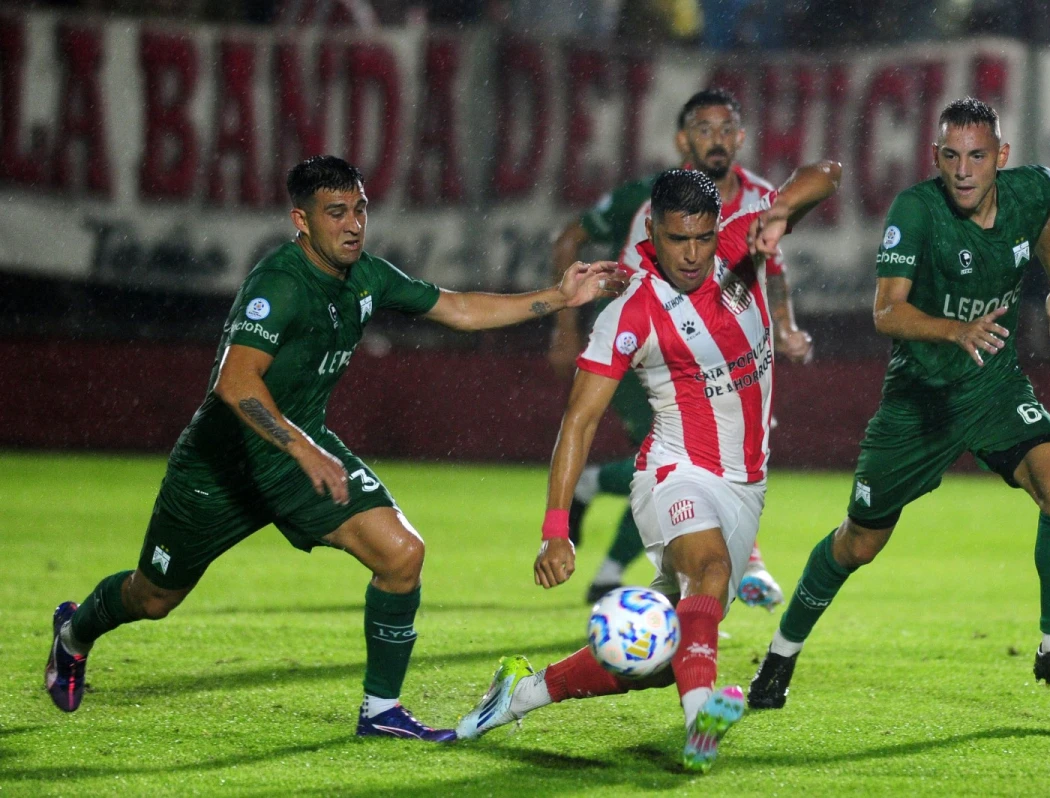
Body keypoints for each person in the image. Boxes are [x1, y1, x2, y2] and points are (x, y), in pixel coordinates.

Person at [44, 155, 626, 741]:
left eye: (360, 209)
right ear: (301, 220)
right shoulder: (277, 284)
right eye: (336, 213)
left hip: (302, 454)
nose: (353, 225)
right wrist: (300, 447)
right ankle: (73, 633)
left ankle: (380, 712)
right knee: (153, 597)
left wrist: (557, 297)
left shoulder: (367, 276)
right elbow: (235, 381)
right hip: (220, 470)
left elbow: (457, 307)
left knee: (402, 555)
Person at [457, 162, 841, 773]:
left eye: (702, 237)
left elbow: (826, 174)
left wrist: (775, 215)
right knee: (710, 571)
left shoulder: (742, 247)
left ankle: (518, 694)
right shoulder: (630, 312)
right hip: (673, 472)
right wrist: (556, 528)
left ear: (718, 228)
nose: (691, 254)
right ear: (651, 233)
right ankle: (702, 726)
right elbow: (578, 422)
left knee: (660, 657)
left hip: (746, 487)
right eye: (675, 239)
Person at [748, 98, 1050, 713]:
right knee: (857, 544)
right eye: (951, 156)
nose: (964, 170)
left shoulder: (1031, 188)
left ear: (1002, 157)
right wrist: (954, 331)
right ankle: (780, 656)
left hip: (994, 387)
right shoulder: (916, 211)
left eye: (977, 156)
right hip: (920, 401)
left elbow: (1042, 210)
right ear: (935, 157)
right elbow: (886, 311)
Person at [549, 88, 814, 607]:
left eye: (725, 129)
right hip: (652, 352)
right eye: (703, 128)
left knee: (707, 455)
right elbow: (607, 267)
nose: (715, 140)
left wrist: (784, 327)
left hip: (727, 349)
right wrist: (567, 328)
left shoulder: (759, 201)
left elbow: (775, 267)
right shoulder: (647, 203)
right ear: (682, 139)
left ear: (740, 136)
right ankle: (720, 564)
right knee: (679, 458)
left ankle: (613, 549)